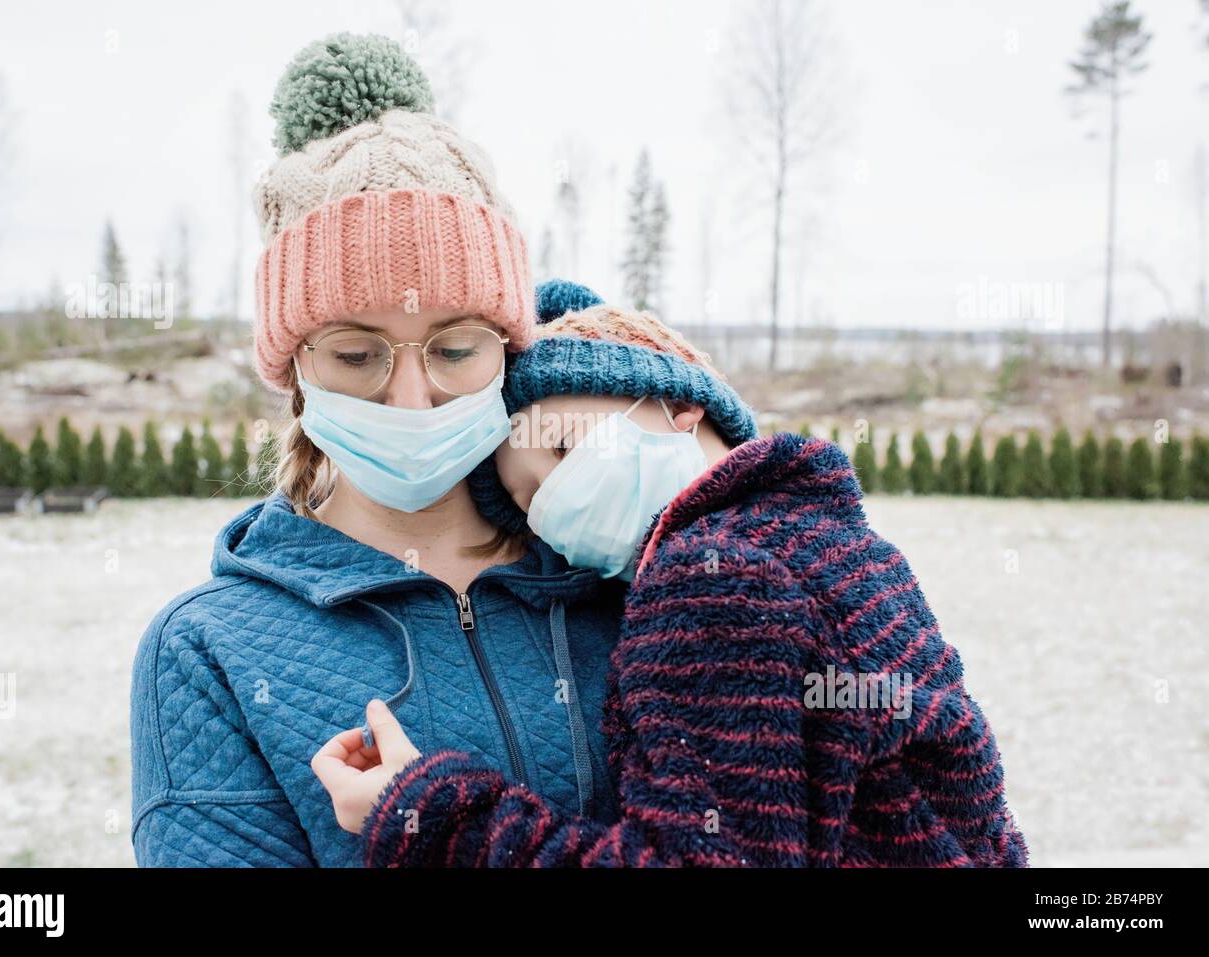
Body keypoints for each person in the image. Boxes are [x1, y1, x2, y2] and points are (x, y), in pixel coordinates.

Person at [129, 33, 625, 867]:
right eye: (358, 355)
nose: (411, 397)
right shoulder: (209, 651)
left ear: (510, 350)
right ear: (297, 374)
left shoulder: (619, 576)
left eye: (456, 347)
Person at [311, 301, 1030, 867]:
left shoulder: (709, 580)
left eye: (560, 447)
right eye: (534, 506)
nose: (558, 499)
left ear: (675, 405)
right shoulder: (840, 543)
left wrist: (431, 813)